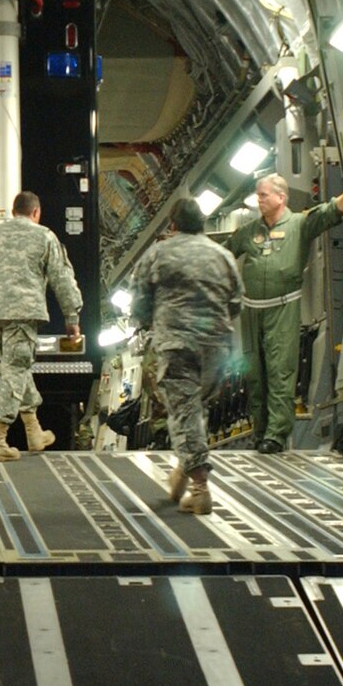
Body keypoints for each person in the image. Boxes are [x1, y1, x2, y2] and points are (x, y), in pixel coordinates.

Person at [226, 173, 343, 453]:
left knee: (279, 371)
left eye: (263, 195)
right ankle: (260, 430)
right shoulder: (250, 232)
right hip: (252, 312)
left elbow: (328, 213)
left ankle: (276, 434)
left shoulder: (298, 224)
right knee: (255, 374)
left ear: (281, 197)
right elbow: (224, 253)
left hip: (282, 308)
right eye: (258, 196)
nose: (259, 200)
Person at [0, 191, 83, 462]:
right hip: (22, 312)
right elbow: (63, 278)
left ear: (14, 212)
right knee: (15, 370)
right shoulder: (44, 235)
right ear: (36, 213)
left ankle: (34, 431)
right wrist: (72, 318)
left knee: (16, 369)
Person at [134, 195, 241, 515]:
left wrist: (152, 320)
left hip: (177, 345)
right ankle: (183, 469)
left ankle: (200, 488)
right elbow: (236, 303)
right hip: (217, 347)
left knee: (185, 412)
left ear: (173, 225)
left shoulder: (157, 254)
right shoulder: (223, 256)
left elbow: (139, 301)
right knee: (195, 410)